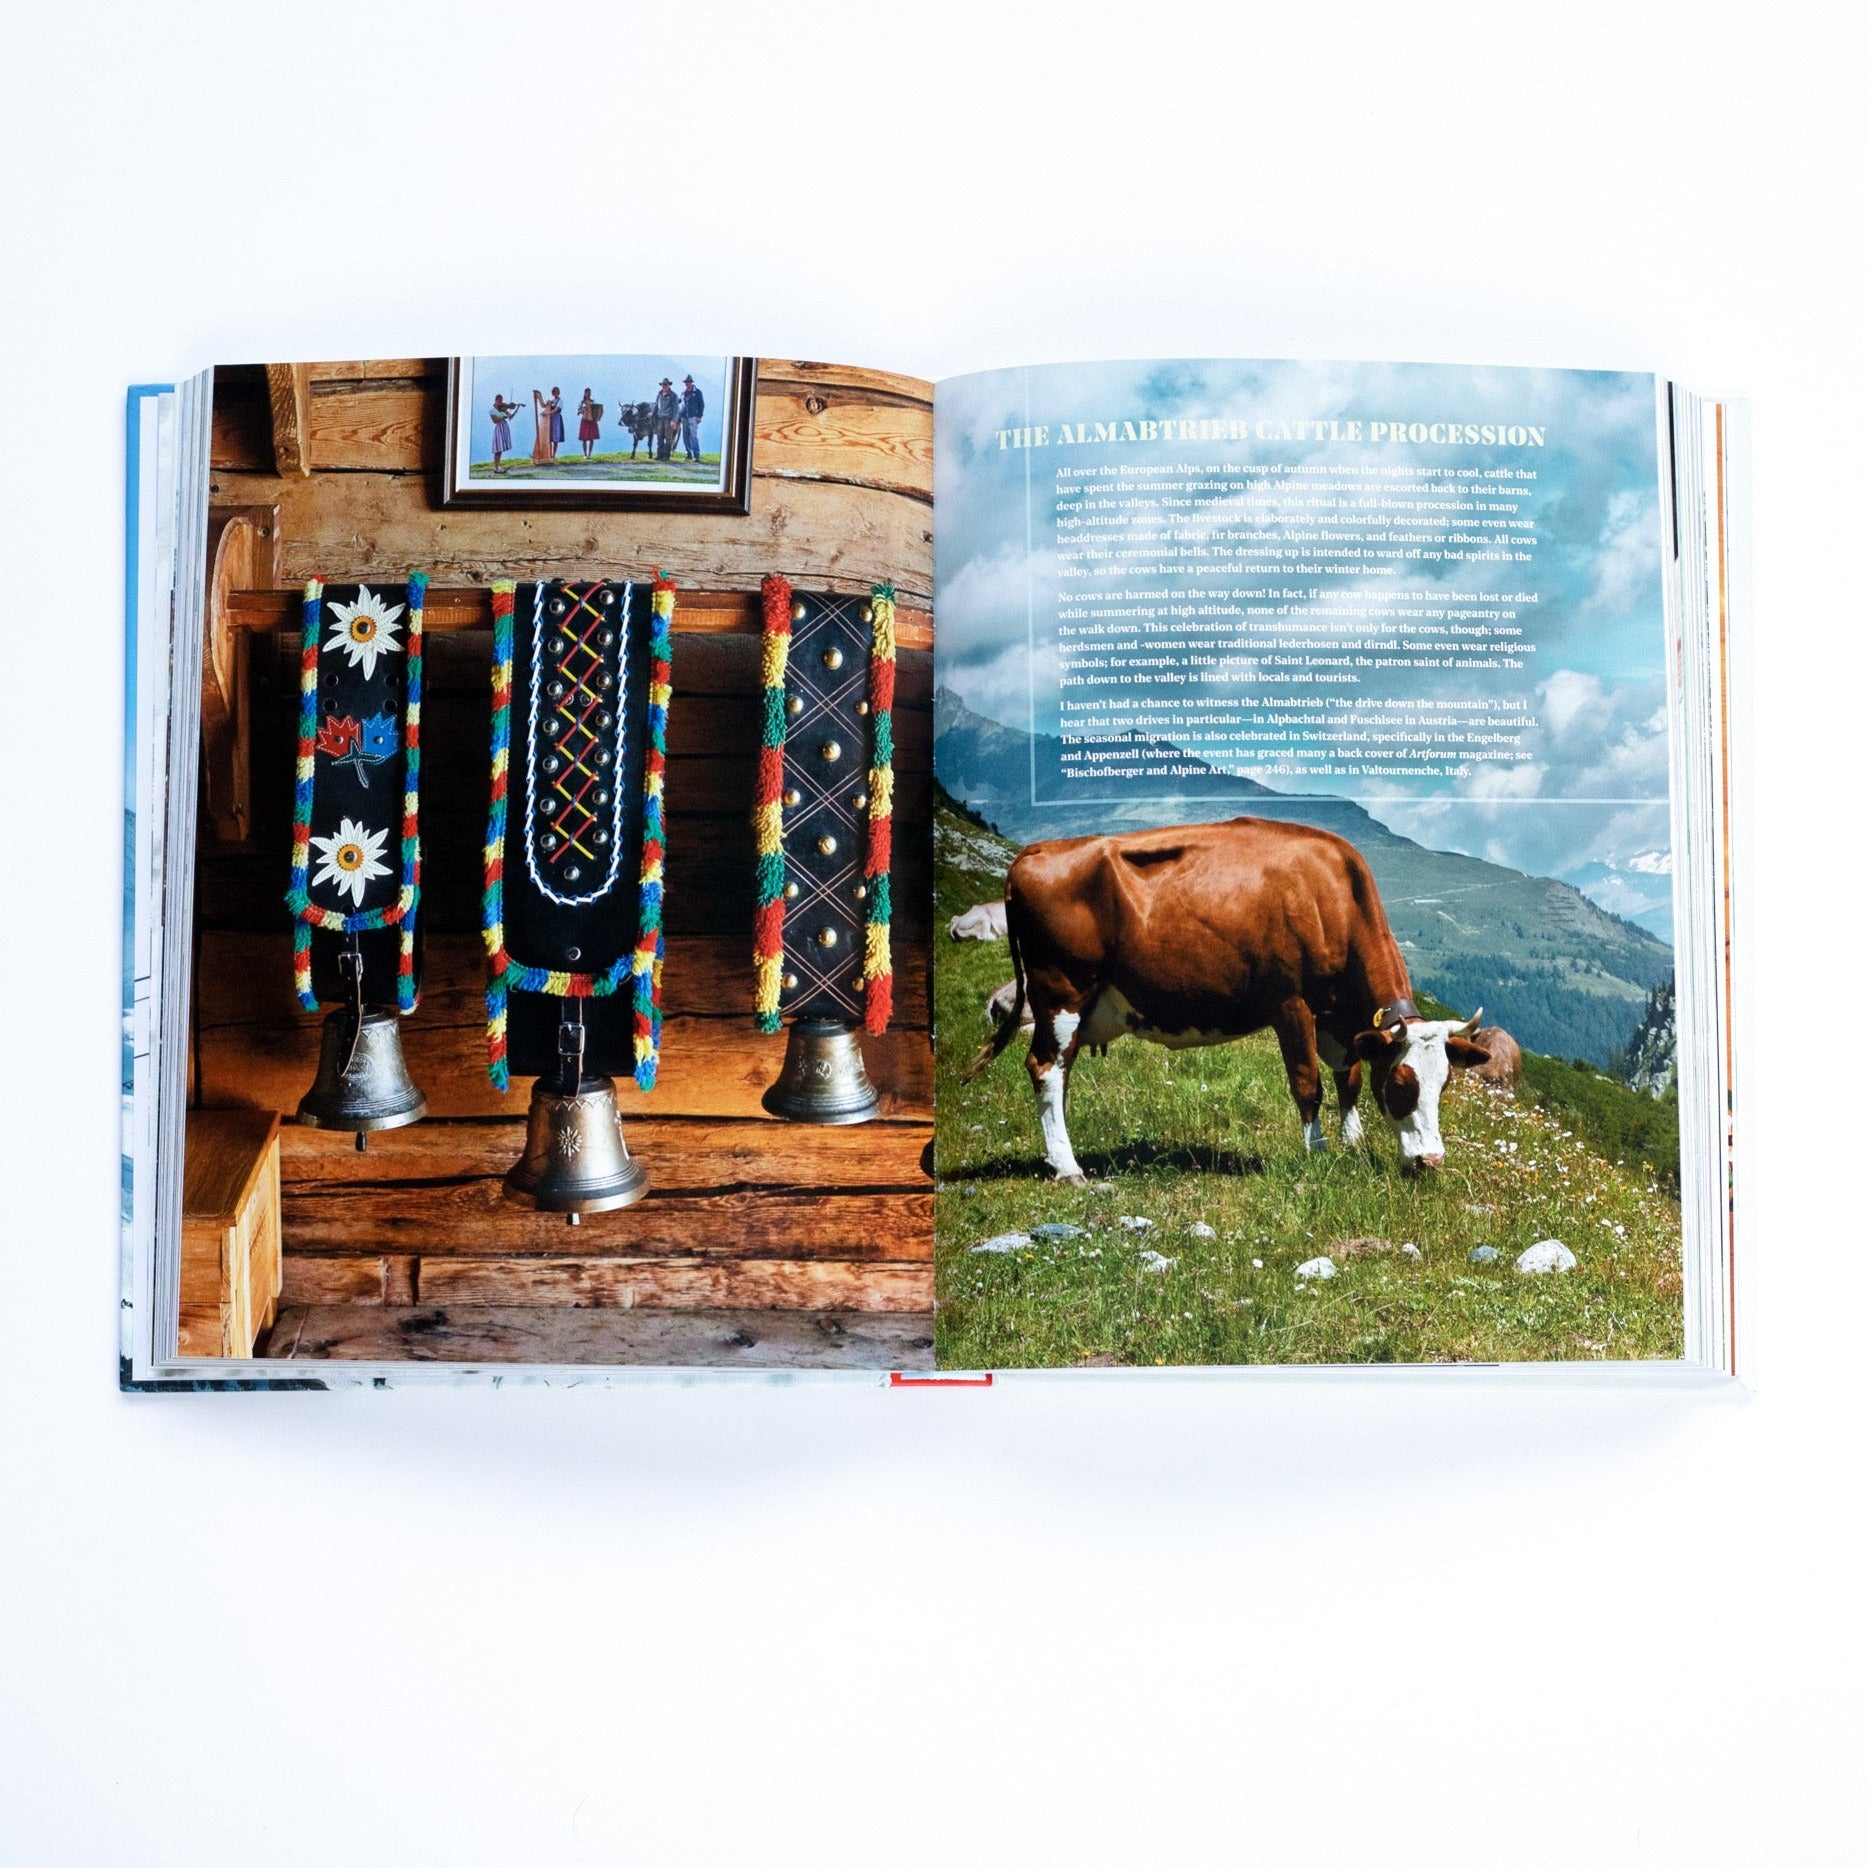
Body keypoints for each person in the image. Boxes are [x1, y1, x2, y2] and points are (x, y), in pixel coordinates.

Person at [489, 393, 521, 473]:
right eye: (499, 401)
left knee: (500, 449)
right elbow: (495, 421)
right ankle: (496, 467)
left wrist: (516, 409)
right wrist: (503, 416)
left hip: (505, 428)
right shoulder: (492, 411)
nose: (501, 402)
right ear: (495, 401)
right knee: (497, 449)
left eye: (501, 401)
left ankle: (498, 467)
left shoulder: (503, 409)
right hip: (499, 429)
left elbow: (510, 417)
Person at [652, 377, 680, 462]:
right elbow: (656, 406)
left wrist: (674, 420)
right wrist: (652, 414)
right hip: (660, 418)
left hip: (669, 419)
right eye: (663, 384)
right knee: (659, 436)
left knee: (668, 437)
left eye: (666, 384)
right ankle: (659, 455)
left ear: (669, 385)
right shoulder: (659, 394)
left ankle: (666, 456)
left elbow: (676, 409)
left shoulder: (673, 395)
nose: (664, 386)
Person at [679, 373, 705, 462]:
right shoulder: (683, 392)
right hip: (683, 417)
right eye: (686, 382)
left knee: (693, 435)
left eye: (689, 382)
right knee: (685, 435)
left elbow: (701, 405)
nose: (687, 383)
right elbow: (680, 402)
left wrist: (699, 416)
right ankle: (688, 453)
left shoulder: (697, 392)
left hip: (693, 416)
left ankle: (696, 455)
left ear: (691, 382)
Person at [577, 387, 602, 459]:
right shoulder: (581, 402)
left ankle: (590, 454)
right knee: (584, 438)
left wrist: (597, 416)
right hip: (585, 420)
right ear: (585, 393)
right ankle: (585, 454)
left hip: (592, 421)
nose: (589, 394)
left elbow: (597, 409)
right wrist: (583, 411)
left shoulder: (593, 402)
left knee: (591, 438)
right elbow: (578, 411)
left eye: (589, 393)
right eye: (587, 393)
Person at [531, 389, 554, 464]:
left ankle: (545, 456)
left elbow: (544, 406)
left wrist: (546, 411)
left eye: (548, 403)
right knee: (541, 435)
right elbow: (543, 405)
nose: (546, 404)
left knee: (545, 437)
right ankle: (540, 456)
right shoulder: (546, 410)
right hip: (546, 419)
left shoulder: (548, 409)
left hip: (548, 420)